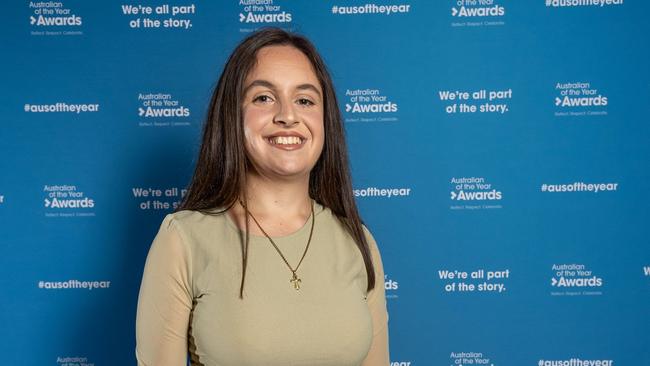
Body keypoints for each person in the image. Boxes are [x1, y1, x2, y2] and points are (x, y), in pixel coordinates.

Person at [135, 27, 390, 366]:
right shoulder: (183, 240)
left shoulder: (359, 242)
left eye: (305, 99)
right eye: (263, 98)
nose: (287, 115)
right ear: (232, 116)